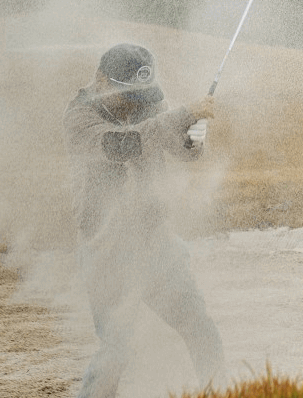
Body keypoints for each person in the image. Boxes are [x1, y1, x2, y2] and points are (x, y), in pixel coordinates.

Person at [63, 43, 225, 397]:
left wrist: (192, 141)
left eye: (142, 95)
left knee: (200, 327)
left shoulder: (146, 103)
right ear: (102, 81)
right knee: (116, 351)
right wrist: (183, 115)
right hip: (106, 252)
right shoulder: (79, 117)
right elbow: (122, 147)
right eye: (128, 95)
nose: (138, 103)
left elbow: (176, 145)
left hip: (155, 243)